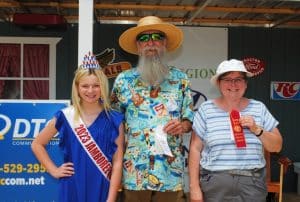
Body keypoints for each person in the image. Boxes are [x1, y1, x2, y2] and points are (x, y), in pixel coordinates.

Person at [111, 16, 194, 202]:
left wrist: (183, 126)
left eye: (157, 37)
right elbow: (113, 124)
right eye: (144, 39)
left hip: (170, 174)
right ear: (138, 46)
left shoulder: (181, 79)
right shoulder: (123, 81)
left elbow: (190, 120)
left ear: (164, 43)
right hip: (134, 173)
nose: (151, 43)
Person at [31, 53, 124, 202]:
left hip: (103, 186)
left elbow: (117, 162)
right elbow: (37, 144)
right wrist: (54, 170)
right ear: (77, 87)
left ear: (103, 86)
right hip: (72, 185)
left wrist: (111, 199)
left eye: (96, 85)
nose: (90, 91)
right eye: (85, 86)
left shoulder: (114, 119)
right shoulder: (66, 116)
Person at [188, 59, 283, 202]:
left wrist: (257, 129)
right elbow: (195, 149)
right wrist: (194, 188)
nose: (233, 84)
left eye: (238, 79)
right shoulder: (206, 109)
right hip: (215, 184)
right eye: (227, 79)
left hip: (252, 184)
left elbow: (276, 146)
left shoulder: (259, 108)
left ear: (245, 83)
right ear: (219, 84)